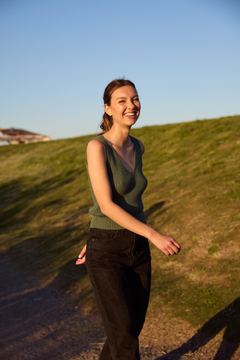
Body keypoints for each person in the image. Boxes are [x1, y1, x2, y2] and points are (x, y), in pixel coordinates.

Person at [76, 79, 181, 360]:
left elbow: (133, 202)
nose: (131, 105)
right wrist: (153, 234)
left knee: (128, 330)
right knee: (123, 337)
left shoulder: (138, 147)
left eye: (134, 99)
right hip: (107, 250)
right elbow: (107, 205)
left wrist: (141, 236)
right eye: (121, 101)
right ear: (108, 109)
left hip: (136, 248)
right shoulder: (97, 148)